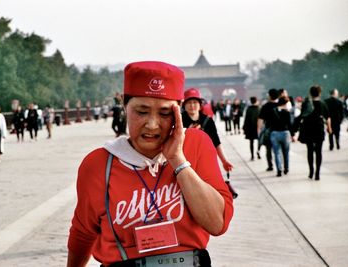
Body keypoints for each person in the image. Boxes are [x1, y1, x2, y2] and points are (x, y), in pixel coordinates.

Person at [67, 61, 234, 267]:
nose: (152, 124)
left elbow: (218, 223)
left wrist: (178, 161)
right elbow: (83, 233)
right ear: (124, 107)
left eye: (164, 113)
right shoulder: (100, 164)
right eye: (142, 111)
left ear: (177, 111)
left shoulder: (197, 145)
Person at [182, 88, 234, 172]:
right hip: (184, 161)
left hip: (204, 159)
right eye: (189, 103)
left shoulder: (208, 121)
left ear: (200, 105)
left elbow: (216, 142)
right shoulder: (179, 120)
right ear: (184, 105)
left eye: (195, 102)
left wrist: (224, 161)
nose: (192, 105)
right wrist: (188, 132)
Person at [297, 85, 331, 180]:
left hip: (308, 129)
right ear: (320, 93)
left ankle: (311, 171)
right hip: (319, 129)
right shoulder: (323, 104)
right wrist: (329, 128)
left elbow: (302, 115)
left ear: (310, 93)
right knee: (319, 151)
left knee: (310, 150)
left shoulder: (306, 104)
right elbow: (327, 117)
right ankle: (317, 173)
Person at [270, 97, 296, 177]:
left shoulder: (273, 111)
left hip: (274, 133)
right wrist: (292, 135)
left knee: (277, 153)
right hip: (285, 133)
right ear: (285, 104)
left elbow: (269, 122)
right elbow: (289, 125)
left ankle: (279, 170)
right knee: (286, 152)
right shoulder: (286, 113)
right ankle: (286, 168)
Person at [257, 89, 279, 171]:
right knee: (278, 149)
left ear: (269, 96)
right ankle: (280, 166)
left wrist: (258, 129)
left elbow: (260, 119)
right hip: (279, 129)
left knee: (268, 149)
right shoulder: (280, 105)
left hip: (268, 130)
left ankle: (270, 165)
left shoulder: (265, 106)